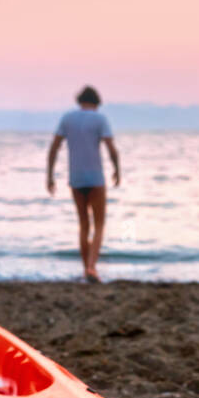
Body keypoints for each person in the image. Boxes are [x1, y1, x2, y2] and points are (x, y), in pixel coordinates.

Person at [46, 86, 120, 282]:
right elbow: (111, 149)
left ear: (80, 100)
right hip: (95, 177)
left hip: (76, 178)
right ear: (97, 102)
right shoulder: (100, 119)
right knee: (100, 224)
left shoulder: (67, 118)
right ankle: (92, 267)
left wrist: (50, 176)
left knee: (83, 225)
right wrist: (117, 170)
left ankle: (84, 268)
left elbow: (54, 148)